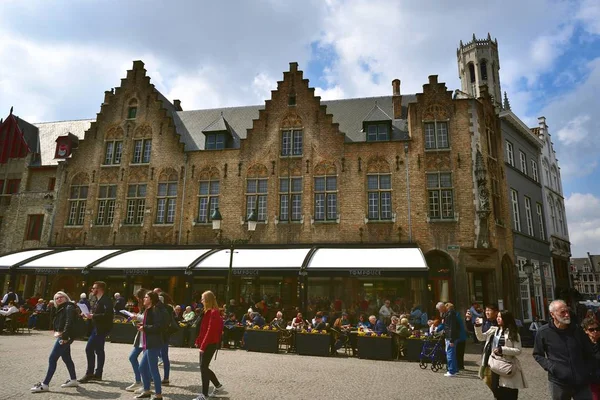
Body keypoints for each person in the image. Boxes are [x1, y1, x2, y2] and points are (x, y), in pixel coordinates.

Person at [533, 299, 594, 400]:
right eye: (562, 312)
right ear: (553, 314)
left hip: (581, 381)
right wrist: (552, 367)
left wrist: (587, 370)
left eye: (567, 311)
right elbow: (537, 354)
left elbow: (589, 351)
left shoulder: (577, 330)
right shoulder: (543, 332)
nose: (567, 315)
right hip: (559, 382)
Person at [30, 292, 79, 393]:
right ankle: (73, 380)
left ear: (66, 298)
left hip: (64, 336)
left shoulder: (68, 307)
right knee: (67, 358)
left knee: (52, 358)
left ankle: (45, 384)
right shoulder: (63, 307)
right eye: (56, 298)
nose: (59, 299)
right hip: (64, 335)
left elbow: (69, 322)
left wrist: (65, 336)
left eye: (61, 297)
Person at [474, 310, 527, 399]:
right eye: (497, 316)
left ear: (506, 319)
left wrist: (502, 350)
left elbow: (518, 350)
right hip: (495, 364)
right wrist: (477, 326)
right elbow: (481, 337)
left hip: (507, 365)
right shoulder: (494, 330)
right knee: (495, 388)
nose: (498, 319)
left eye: (500, 317)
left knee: (509, 391)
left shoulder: (513, 333)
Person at [78, 281, 113, 383]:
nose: (92, 290)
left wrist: (93, 316)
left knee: (89, 349)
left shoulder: (106, 300)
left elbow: (108, 315)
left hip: (101, 329)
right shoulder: (97, 300)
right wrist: (87, 314)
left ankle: (90, 373)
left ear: (99, 289)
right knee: (99, 350)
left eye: (94, 288)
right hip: (96, 327)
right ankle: (98, 374)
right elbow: (96, 313)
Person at [194, 291, 224, 400]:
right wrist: (199, 340)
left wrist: (203, 346)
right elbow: (204, 329)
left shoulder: (213, 312)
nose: (201, 301)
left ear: (207, 300)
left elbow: (210, 331)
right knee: (204, 367)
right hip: (207, 342)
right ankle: (217, 385)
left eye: (202, 299)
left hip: (209, 343)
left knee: (203, 368)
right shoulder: (208, 311)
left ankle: (204, 394)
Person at [134, 291, 164, 400]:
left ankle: (158, 395)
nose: (144, 299)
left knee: (153, 369)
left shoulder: (155, 310)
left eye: (146, 297)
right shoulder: (148, 309)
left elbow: (158, 326)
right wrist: (143, 325)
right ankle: (146, 391)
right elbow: (151, 324)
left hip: (154, 343)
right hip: (148, 342)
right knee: (142, 367)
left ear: (151, 299)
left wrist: (145, 328)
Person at [125, 287, 149, 393]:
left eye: (138, 297)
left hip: (146, 337)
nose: (138, 300)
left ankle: (145, 384)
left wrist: (137, 317)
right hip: (140, 336)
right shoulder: (142, 307)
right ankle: (139, 381)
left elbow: (147, 319)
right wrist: (134, 319)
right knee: (132, 357)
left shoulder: (149, 307)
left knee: (145, 363)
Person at [436, 301, 460, 377]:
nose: (439, 311)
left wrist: (451, 339)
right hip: (451, 336)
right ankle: (455, 369)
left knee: (450, 354)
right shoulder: (449, 314)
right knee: (452, 354)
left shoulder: (449, 315)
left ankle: (451, 371)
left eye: (439, 310)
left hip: (450, 337)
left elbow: (451, 328)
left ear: (442, 308)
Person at [581, 317, 600, 399]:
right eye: (591, 330)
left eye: (597, 329)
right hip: (592, 382)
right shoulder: (582, 345)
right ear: (586, 331)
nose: (595, 331)